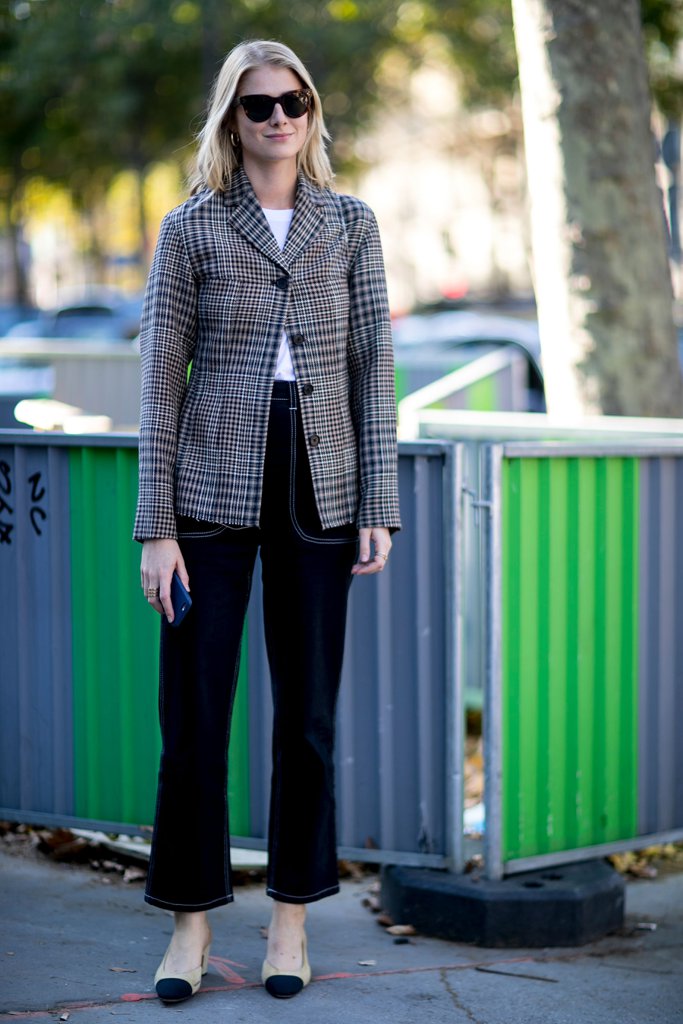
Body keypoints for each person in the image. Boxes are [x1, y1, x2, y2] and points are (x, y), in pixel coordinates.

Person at [134, 38, 400, 1003]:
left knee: (309, 718)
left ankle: (290, 920)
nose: (278, 117)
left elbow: (375, 365)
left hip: (320, 486)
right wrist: (154, 525)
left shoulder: (351, 223)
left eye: (292, 101)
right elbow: (161, 379)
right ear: (231, 121)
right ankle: (191, 927)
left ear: (312, 111)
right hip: (209, 489)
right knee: (194, 718)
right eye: (258, 105)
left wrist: (377, 504)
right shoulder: (193, 227)